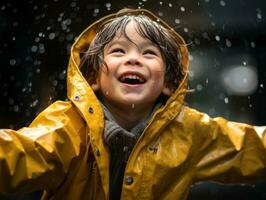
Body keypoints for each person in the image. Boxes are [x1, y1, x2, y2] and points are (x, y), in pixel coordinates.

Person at [0, 8, 266, 200]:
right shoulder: (68, 125)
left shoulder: (189, 132)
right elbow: (19, 153)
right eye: (118, 51)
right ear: (92, 77)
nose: (133, 59)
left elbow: (250, 148)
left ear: (168, 84)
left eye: (149, 53)